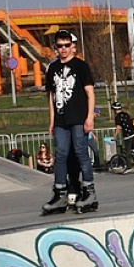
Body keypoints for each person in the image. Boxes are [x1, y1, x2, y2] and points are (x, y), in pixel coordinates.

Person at [42, 30, 97, 213]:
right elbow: (51, 97)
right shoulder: (52, 68)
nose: (64, 49)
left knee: (81, 152)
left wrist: (89, 117)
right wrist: (51, 120)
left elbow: (90, 93)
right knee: (60, 155)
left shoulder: (81, 66)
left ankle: (89, 192)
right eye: (60, 46)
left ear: (71, 46)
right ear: (55, 47)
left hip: (79, 118)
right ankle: (60, 193)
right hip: (60, 119)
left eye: (67, 45)